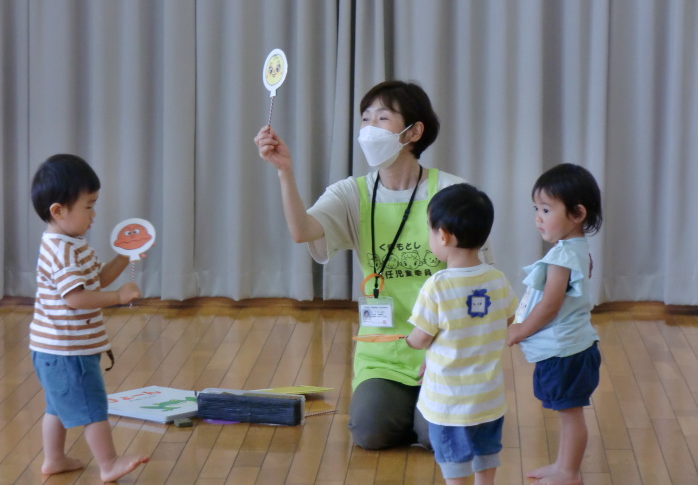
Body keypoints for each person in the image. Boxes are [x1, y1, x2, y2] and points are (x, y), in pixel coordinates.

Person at [254, 80, 493, 450]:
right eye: (365, 119)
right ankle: (410, 410)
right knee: (370, 432)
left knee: (437, 438)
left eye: (382, 118)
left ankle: (427, 415)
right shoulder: (352, 193)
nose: (369, 129)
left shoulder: (450, 192)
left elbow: (477, 283)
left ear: (413, 132)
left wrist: (453, 352)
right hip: (382, 351)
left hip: (445, 349)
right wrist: (284, 171)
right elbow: (302, 231)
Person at [30, 154, 150, 481]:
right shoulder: (61, 251)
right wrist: (118, 298)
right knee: (92, 407)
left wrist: (125, 256)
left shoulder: (73, 244)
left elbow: (97, 279)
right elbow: (76, 298)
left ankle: (54, 459)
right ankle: (108, 463)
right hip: (68, 351)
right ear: (58, 210)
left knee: (57, 406)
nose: (94, 214)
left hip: (54, 349)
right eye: (88, 206)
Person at [406, 184, 517, 485]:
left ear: (443, 236)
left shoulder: (437, 285)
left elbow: (421, 337)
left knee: (454, 465)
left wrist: (409, 341)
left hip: (450, 404)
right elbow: (509, 319)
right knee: (486, 456)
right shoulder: (497, 279)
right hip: (488, 399)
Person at [507, 163, 603, 485]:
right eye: (536, 209)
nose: (538, 217)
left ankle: (569, 473)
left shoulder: (562, 256)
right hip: (571, 348)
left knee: (571, 416)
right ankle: (563, 465)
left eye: (546, 209)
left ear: (577, 213)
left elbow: (550, 305)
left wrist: (520, 330)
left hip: (566, 352)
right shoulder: (575, 249)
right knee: (567, 413)